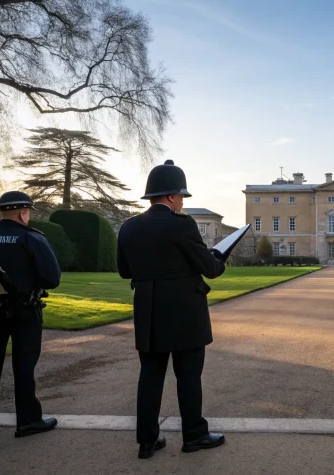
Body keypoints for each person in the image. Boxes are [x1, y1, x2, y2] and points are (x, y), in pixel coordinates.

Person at [117, 160, 227, 460]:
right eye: (180, 196)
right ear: (169, 197)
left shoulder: (129, 227)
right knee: (189, 375)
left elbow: (124, 271)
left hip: (148, 309)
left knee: (150, 375)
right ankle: (194, 435)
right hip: (184, 311)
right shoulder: (182, 224)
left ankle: (146, 440)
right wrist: (219, 257)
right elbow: (210, 269)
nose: (181, 201)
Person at [0, 191, 61, 437]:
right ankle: (27, 421)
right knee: (24, 364)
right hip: (23, 308)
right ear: (24, 213)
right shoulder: (32, 239)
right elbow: (52, 278)